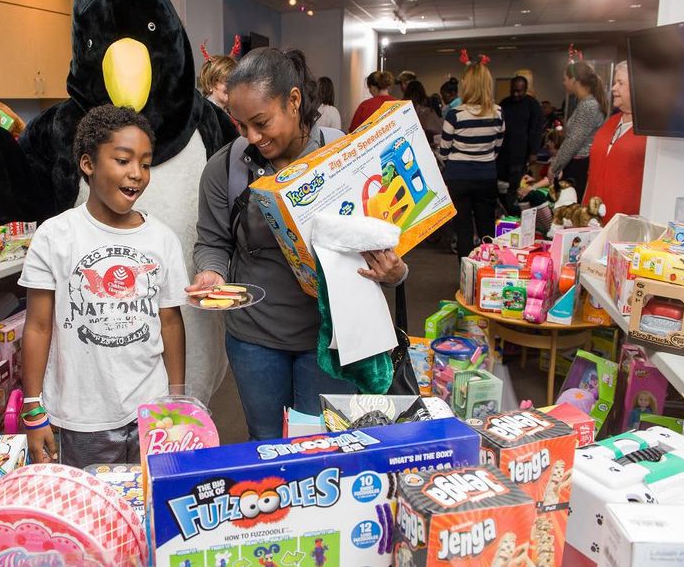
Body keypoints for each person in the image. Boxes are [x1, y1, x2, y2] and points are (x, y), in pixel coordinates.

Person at [190, 48, 408, 440]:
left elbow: (385, 241)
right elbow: (212, 241)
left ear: (293, 101)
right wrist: (210, 272)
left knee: (327, 444)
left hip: (333, 338)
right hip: (254, 338)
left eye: (261, 122)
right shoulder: (225, 168)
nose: (252, 138)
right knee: (268, 444)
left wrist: (395, 272)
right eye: (240, 126)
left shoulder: (345, 158)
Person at [19, 104, 188, 467]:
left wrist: (177, 399)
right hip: (82, 418)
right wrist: (33, 409)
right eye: (124, 160)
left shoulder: (161, 239)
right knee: (93, 512)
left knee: (151, 506)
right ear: (88, 164)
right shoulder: (55, 236)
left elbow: (171, 322)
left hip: (151, 410)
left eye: (145, 163)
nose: (137, 174)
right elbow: (37, 325)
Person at [440, 63, 505, 259]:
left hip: (458, 177)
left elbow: (444, 151)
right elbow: (497, 149)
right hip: (486, 176)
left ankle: (466, 277)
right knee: (486, 228)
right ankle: (485, 274)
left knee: (463, 229)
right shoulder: (498, 113)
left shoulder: (455, 114)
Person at [583, 61, 647, 223]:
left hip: (626, 222)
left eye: (620, 83)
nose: (613, 88)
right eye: (614, 83)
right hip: (592, 217)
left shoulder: (651, 132)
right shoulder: (611, 122)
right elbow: (592, 173)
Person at [552, 61, 607, 200]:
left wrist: (554, 167)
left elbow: (573, 142)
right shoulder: (585, 103)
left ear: (574, 80)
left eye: (565, 79)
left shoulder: (589, 105)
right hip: (577, 164)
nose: (564, 83)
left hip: (580, 167)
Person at [498, 76, 544, 214]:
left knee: (516, 187)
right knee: (502, 187)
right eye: (513, 91)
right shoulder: (504, 104)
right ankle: (505, 210)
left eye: (519, 91)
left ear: (525, 90)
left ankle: (515, 213)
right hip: (504, 154)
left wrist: (534, 152)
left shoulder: (533, 105)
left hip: (522, 153)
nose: (516, 94)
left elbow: (536, 130)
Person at [403, 79, 443, 149]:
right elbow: (438, 126)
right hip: (430, 143)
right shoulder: (429, 105)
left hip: (410, 143)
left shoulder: (404, 106)